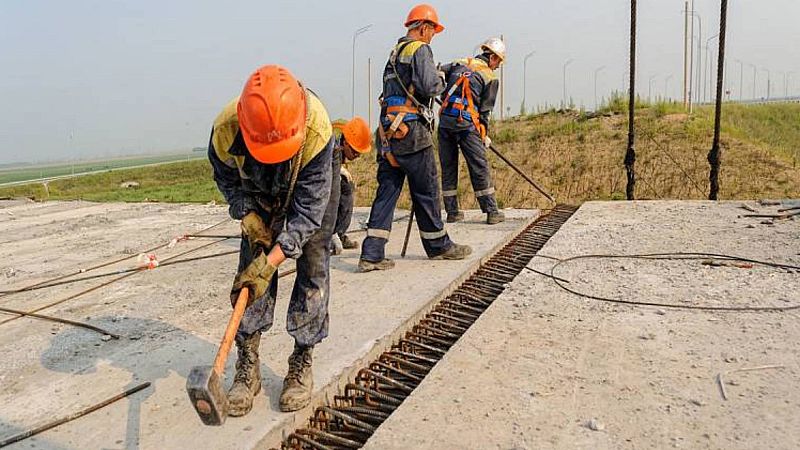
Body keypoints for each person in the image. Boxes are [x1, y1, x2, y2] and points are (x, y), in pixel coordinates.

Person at [207, 65, 336, 416]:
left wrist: (272, 262)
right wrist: (248, 215)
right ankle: (248, 365)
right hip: (258, 193)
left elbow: (308, 214)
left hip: (307, 189)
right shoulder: (225, 130)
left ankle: (302, 358)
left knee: (313, 268)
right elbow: (226, 179)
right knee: (249, 276)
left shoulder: (317, 130)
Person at [359, 3, 472, 272]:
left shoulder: (395, 52)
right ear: (423, 28)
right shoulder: (420, 49)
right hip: (411, 133)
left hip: (388, 132)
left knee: (387, 190)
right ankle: (439, 246)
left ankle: (371, 254)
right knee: (426, 190)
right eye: (432, 31)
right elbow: (430, 86)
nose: (432, 37)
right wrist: (442, 76)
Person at [438, 37, 506, 224]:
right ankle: (492, 212)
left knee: (448, 167)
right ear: (492, 57)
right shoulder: (490, 78)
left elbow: (437, 72)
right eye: (498, 62)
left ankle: (452, 212)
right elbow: (485, 112)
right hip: (466, 126)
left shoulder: (458, 63)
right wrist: (484, 135)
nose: (497, 67)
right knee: (479, 166)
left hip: (445, 122)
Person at [330, 117, 372, 254]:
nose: (357, 156)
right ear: (346, 143)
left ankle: (339, 233)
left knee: (347, 187)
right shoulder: (333, 148)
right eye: (355, 152)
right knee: (335, 191)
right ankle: (330, 234)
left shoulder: (340, 147)